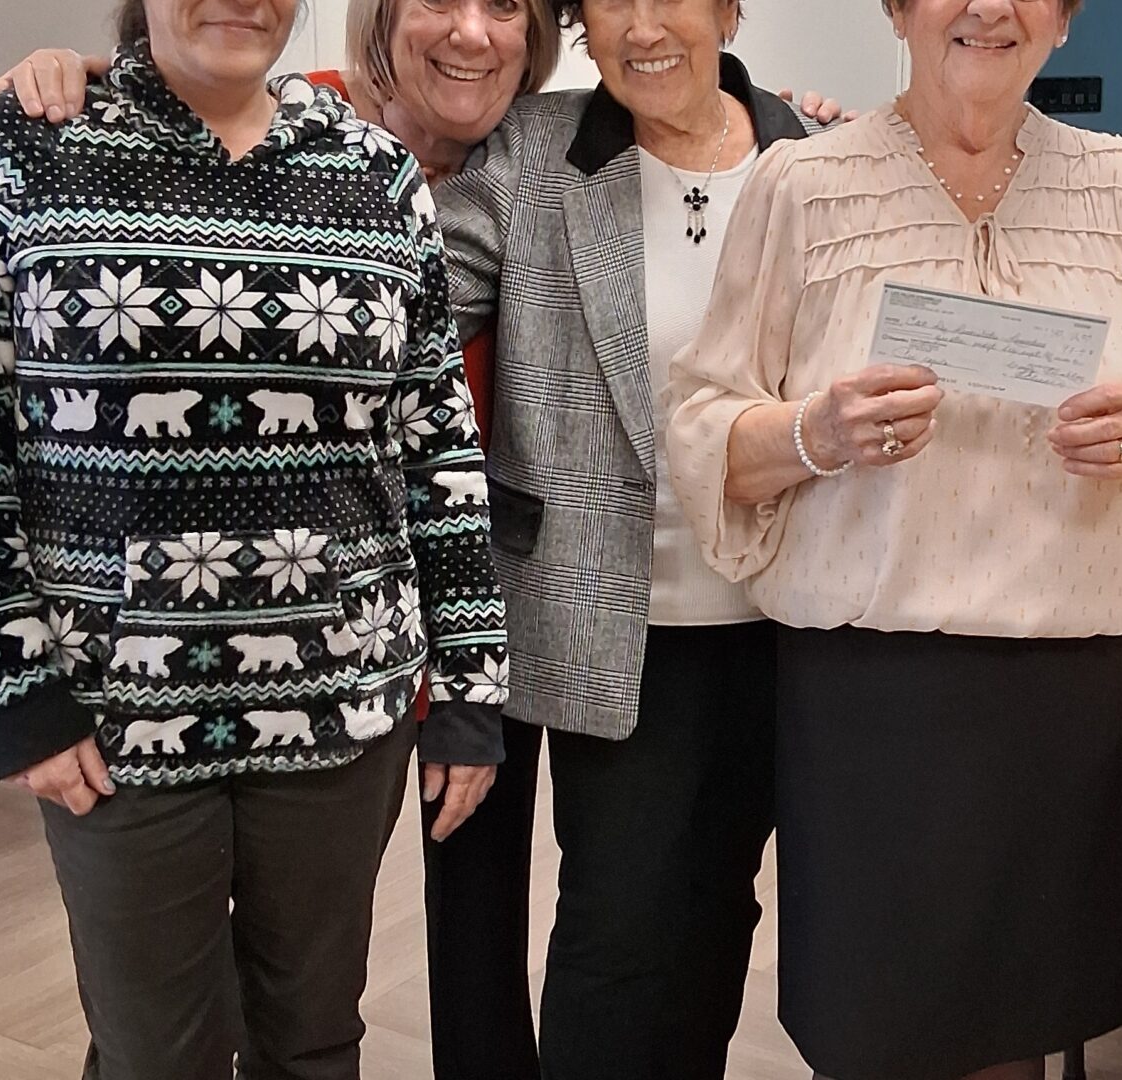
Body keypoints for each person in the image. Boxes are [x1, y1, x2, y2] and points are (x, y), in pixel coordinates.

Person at [0, 5, 848, 1075]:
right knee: (571, 939)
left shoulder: (807, 158)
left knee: (690, 916)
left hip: (703, 613)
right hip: (532, 592)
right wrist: (109, 75)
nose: (644, 21)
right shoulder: (493, 153)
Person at [0, 1, 506, 1076]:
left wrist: (470, 688)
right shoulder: (20, 149)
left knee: (314, 1037)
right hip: (112, 719)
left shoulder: (374, 173)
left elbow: (438, 451)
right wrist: (13, 689)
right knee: (155, 1052)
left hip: (342, 702)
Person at [665, 0, 1122, 1077]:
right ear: (896, 8)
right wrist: (816, 431)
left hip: (1058, 696)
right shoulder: (803, 183)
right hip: (868, 694)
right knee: (876, 1034)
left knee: (1015, 1038)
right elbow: (703, 434)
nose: (985, 8)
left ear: (1064, 20)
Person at [434, 1, 826, 1074]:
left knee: (718, 911)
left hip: (780, 617)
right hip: (613, 615)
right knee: (617, 922)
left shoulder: (819, 160)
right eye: (612, 0)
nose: (645, 26)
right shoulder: (531, 151)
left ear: (729, 10)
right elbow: (404, 294)